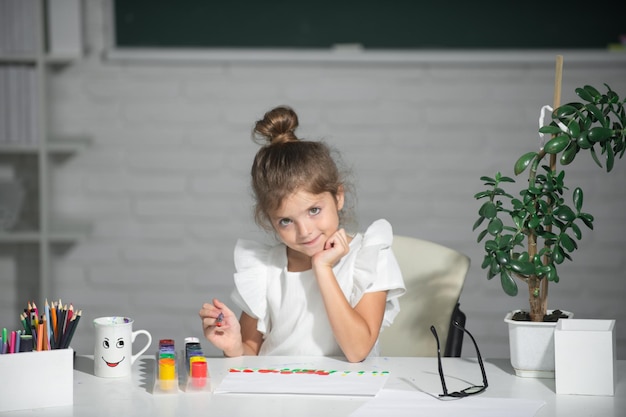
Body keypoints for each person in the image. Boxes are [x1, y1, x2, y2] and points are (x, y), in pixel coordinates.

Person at [199, 105, 405, 363]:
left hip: (348, 393)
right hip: (276, 393)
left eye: (314, 210)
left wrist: (322, 269)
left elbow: (357, 350)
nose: (305, 231)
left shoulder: (369, 256)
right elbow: (250, 352)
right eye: (286, 221)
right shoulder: (265, 268)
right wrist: (234, 347)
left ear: (338, 197)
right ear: (269, 221)